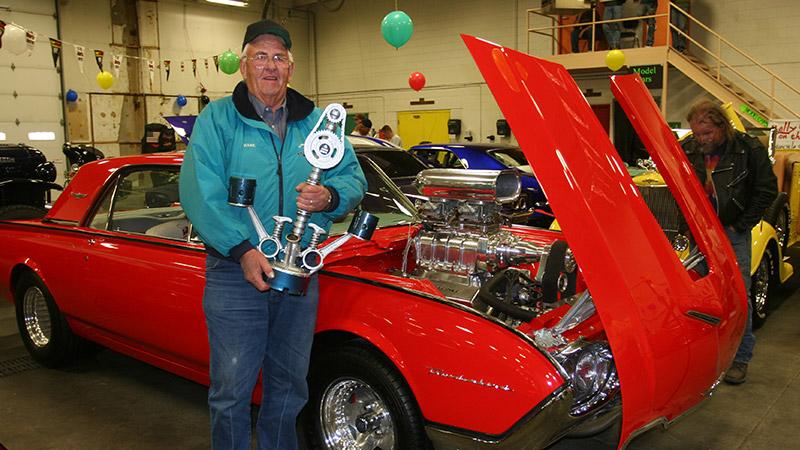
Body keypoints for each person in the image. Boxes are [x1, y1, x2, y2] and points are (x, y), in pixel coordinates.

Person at [179, 19, 367, 449]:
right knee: (232, 390)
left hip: (299, 270)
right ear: (243, 65)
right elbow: (197, 191)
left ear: (291, 68)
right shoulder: (218, 120)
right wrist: (242, 248)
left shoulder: (319, 122)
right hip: (235, 271)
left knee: (289, 386)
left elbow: (353, 179)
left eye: (279, 57)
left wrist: (331, 196)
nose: (270, 66)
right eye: (260, 56)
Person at [681, 100, 777, 385]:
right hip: (700, 233)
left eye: (707, 133)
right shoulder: (690, 149)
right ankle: (708, 353)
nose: (702, 140)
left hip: (732, 232)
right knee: (701, 294)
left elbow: (767, 190)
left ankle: (740, 358)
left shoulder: (748, 149)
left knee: (738, 295)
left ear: (722, 126)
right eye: (697, 134)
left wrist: (740, 225)